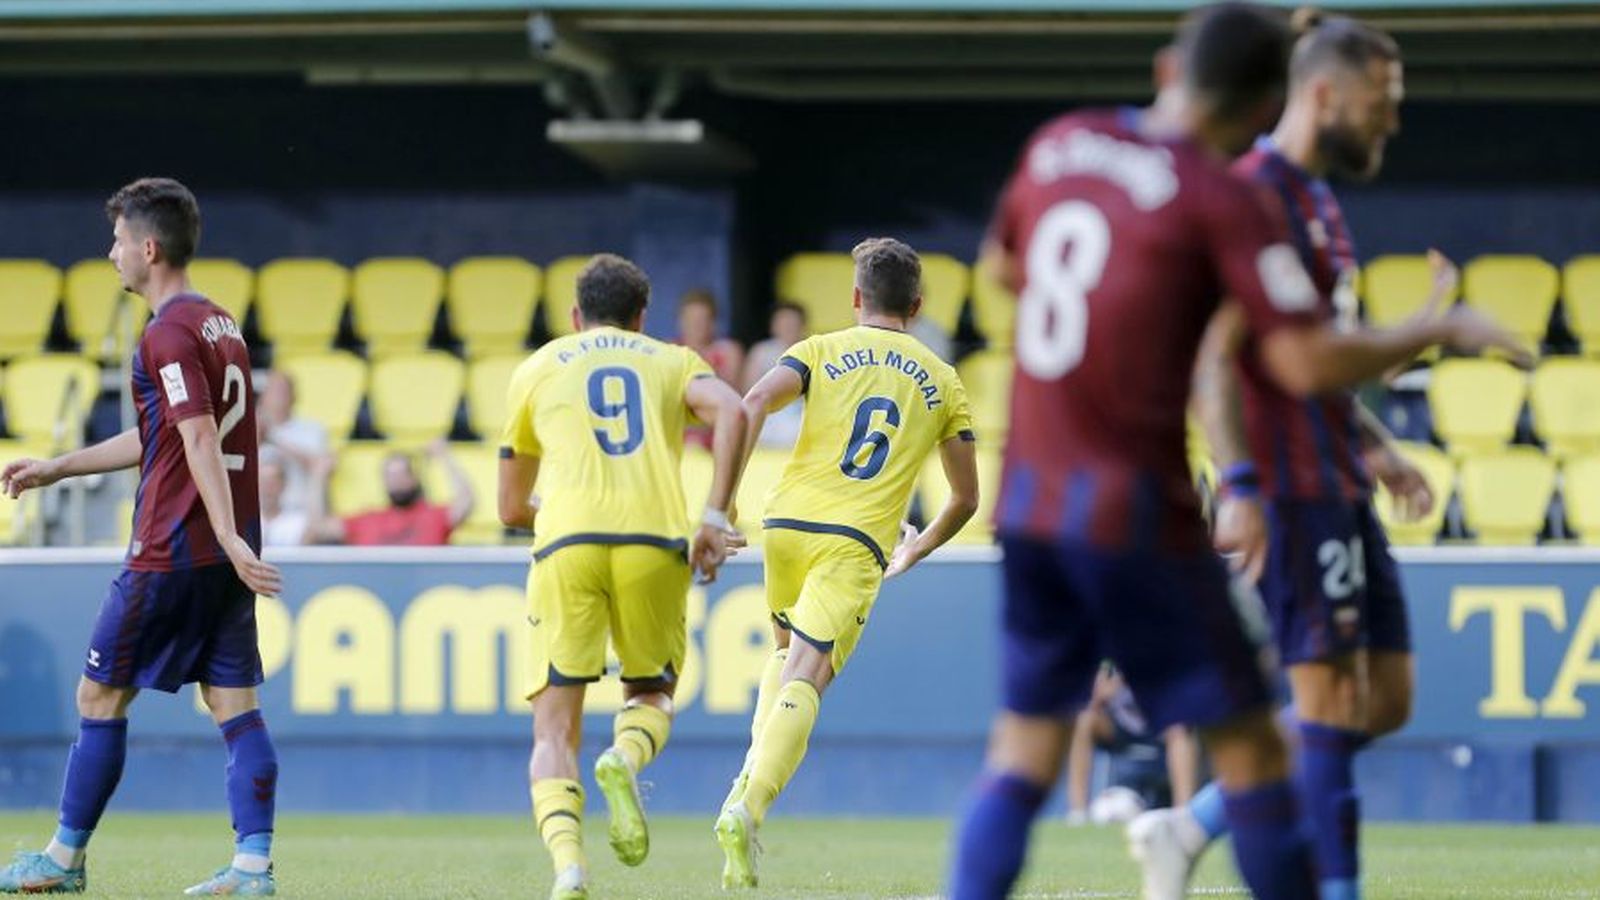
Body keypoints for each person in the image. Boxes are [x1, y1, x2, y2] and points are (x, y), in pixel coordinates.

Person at [945, 4, 1526, 899]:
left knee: (1024, 747)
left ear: (1168, 66)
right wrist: (1440, 324)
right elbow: (1298, 358)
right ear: (1269, 103)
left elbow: (1000, 268)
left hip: (1028, 500)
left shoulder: (1064, 143)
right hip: (1136, 511)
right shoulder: (1221, 197)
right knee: (1254, 748)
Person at [1129, 14, 1504, 900]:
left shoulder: (1319, 198)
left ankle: (1189, 826)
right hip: (1290, 489)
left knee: (1384, 702)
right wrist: (1246, 484)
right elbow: (1213, 356)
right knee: (1332, 709)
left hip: (1339, 480)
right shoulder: (1253, 192)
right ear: (1328, 93)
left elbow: (1316, 352)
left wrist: (1376, 445)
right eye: (1385, 100)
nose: (1393, 120)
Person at [0, 178, 283, 896]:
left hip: (172, 550)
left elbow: (193, 435)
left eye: (120, 240)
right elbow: (164, 431)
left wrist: (220, 530)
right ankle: (252, 866)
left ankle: (63, 862)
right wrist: (57, 467)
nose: (112, 252)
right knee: (234, 703)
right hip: (224, 556)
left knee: (99, 696)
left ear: (148, 248)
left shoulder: (165, 332)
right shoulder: (221, 323)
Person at [715, 237, 979, 890]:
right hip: (853, 539)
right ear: (916, 306)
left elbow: (748, 403)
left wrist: (721, 509)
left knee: (782, 656)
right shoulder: (943, 379)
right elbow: (967, 498)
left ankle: (745, 784)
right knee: (809, 675)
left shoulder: (818, 348)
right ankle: (747, 807)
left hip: (785, 524)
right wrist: (918, 545)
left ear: (856, 297)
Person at [498, 254, 748, 900]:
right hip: (653, 539)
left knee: (553, 729)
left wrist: (557, 515)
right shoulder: (668, 359)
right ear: (642, 317)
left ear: (576, 316)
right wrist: (715, 517)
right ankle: (625, 758)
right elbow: (735, 412)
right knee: (649, 694)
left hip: (566, 543)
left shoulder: (538, 367)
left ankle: (569, 870)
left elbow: (506, 508)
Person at [1064, 666, 1198, 825]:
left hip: (1162, 723)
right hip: (1121, 727)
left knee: (1179, 728)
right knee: (1084, 721)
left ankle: (1183, 814)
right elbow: (1087, 699)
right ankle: (1078, 812)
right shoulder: (1108, 658)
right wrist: (1098, 695)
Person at [307, 440, 474, 546]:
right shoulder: (367, 520)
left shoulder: (433, 515)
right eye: (390, 475)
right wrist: (319, 475)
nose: (396, 481)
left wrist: (445, 457)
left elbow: (466, 502)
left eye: (401, 474)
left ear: (414, 479)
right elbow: (320, 526)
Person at [255, 370, 332, 515]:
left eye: (283, 390)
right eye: (272, 390)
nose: (278, 396)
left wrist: (272, 438)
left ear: (294, 395)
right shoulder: (252, 429)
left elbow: (320, 466)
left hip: (299, 511)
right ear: (262, 397)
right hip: (260, 513)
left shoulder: (312, 429)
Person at [742, 301, 809, 448]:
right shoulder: (761, 351)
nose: (788, 328)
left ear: (803, 326)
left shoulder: (813, 351)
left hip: (802, 415)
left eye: (793, 323)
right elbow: (748, 390)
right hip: (769, 415)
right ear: (773, 326)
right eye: (783, 323)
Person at [259, 448, 329, 547]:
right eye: (263, 482)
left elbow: (314, 532)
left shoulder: (297, 521)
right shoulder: (243, 522)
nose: (267, 488)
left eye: (273, 482)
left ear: (283, 484)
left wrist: (318, 476)